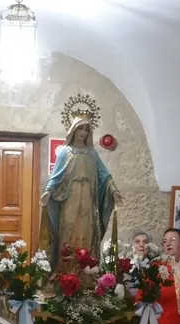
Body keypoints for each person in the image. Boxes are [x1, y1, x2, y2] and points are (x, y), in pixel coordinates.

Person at [39, 116, 123, 273]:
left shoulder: (92, 153)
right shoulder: (65, 152)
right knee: (68, 231)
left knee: (87, 232)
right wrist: (48, 191)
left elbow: (104, 174)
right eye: (80, 128)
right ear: (73, 130)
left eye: (86, 130)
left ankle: (85, 272)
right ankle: (65, 272)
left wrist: (114, 190)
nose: (83, 133)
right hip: (70, 199)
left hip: (88, 200)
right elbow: (56, 176)